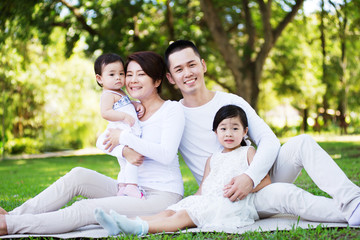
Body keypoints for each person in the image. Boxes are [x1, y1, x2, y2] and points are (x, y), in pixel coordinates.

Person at [163, 39, 360, 226]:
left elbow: (269, 140)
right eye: (179, 69)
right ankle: (352, 212)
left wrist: (250, 177)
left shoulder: (231, 100)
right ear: (170, 78)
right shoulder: (173, 115)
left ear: (203, 65)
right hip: (230, 197)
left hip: (257, 176)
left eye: (192, 65)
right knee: (286, 194)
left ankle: (353, 201)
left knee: (302, 142)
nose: (187, 73)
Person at [0, 51, 185, 235]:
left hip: (160, 196)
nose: (132, 80)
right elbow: (101, 141)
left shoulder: (171, 109)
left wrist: (123, 138)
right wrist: (123, 151)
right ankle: (13, 216)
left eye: (141, 74)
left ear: (157, 81)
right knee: (79, 175)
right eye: (129, 74)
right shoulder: (129, 108)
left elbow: (166, 154)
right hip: (127, 188)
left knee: (87, 209)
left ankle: (9, 225)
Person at [94, 104, 271, 236]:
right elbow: (203, 188)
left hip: (229, 204)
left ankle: (142, 228)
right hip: (207, 199)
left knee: (183, 216)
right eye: (223, 129)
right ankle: (120, 225)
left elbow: (264, 181)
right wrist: (191, 201)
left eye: (235, 128)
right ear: (216, 132)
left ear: (245, 131)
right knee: (170, 211)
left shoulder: (248, 152)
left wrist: (240, 189)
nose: (229, 133)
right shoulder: (213, 158)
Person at [94, 53, 145, 199]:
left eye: (121, 73)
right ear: (100, 78)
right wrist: (123, 116)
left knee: (124, 163)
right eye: (112, 74)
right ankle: (132, 186)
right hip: (121, 131)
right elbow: (105, 112)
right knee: (131, 160)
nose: (118, 77)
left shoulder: (120, 92)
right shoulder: (108, 94)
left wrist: (135, 104)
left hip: (125, 131)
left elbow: (125, 104)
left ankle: (122, 187)